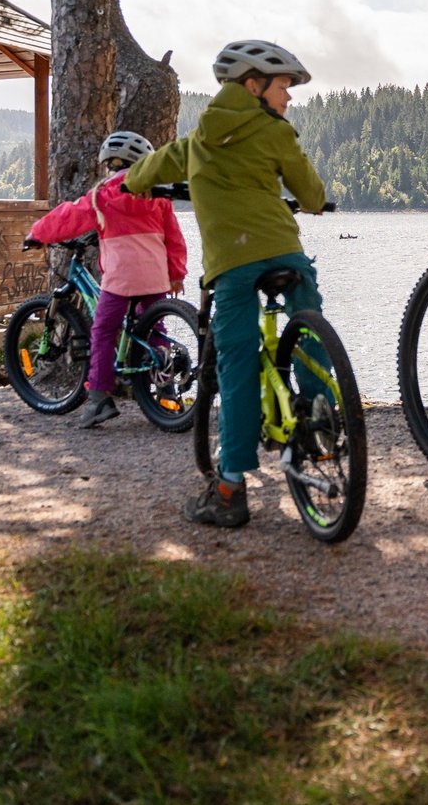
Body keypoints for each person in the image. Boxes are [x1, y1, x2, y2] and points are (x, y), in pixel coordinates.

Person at [121, 40, 328, 529]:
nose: (289, 98)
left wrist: (133, 182)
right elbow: (312, 195)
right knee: (311, 331)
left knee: (236, 366)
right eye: (284, 87)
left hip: (232, 268)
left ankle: (230, 487)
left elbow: (143, 173)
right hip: (286, 255)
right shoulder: (277, 134)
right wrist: (311, 200)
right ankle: (319, 414)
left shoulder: (195, 144)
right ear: (253, 87)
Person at [25, 130, 187, 429]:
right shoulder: (156, 195)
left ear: (110, 164)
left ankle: (99, 398)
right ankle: (165, 387)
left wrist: (37, 234)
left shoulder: (102, 195)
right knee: (155, 329)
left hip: (121, 280)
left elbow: (68, 217)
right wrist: (176, 272)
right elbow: (174, 238)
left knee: (102, 332)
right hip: (154, 277)